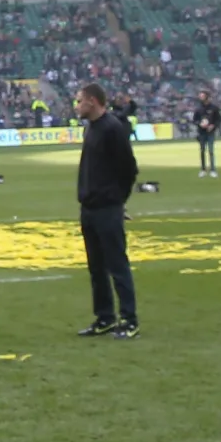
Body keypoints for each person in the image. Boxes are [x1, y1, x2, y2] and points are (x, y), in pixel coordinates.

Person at [73, 82, 138, 340]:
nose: (77, 106)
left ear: (92, 101)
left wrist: (118, 202)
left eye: (79, 101)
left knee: (117, 265)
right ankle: (105, 317)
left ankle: (129, 320)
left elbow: (129, 169)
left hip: (107, 209)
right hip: (89, 208)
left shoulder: (112, 128)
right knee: (96, 268)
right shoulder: (92, 128)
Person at [192, 90, 221, 178]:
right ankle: (203, 169)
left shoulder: (214, 108)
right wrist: (199, 124)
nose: (201, 97)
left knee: (211, 151)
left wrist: (213, 126)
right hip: (201, 133)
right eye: (200, 96)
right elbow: (194, 120)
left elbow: (218, 120)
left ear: (207, 97)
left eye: (202, 96)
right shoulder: (198, 108)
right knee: (202, 151)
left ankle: (213, 170)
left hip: (210, 132)